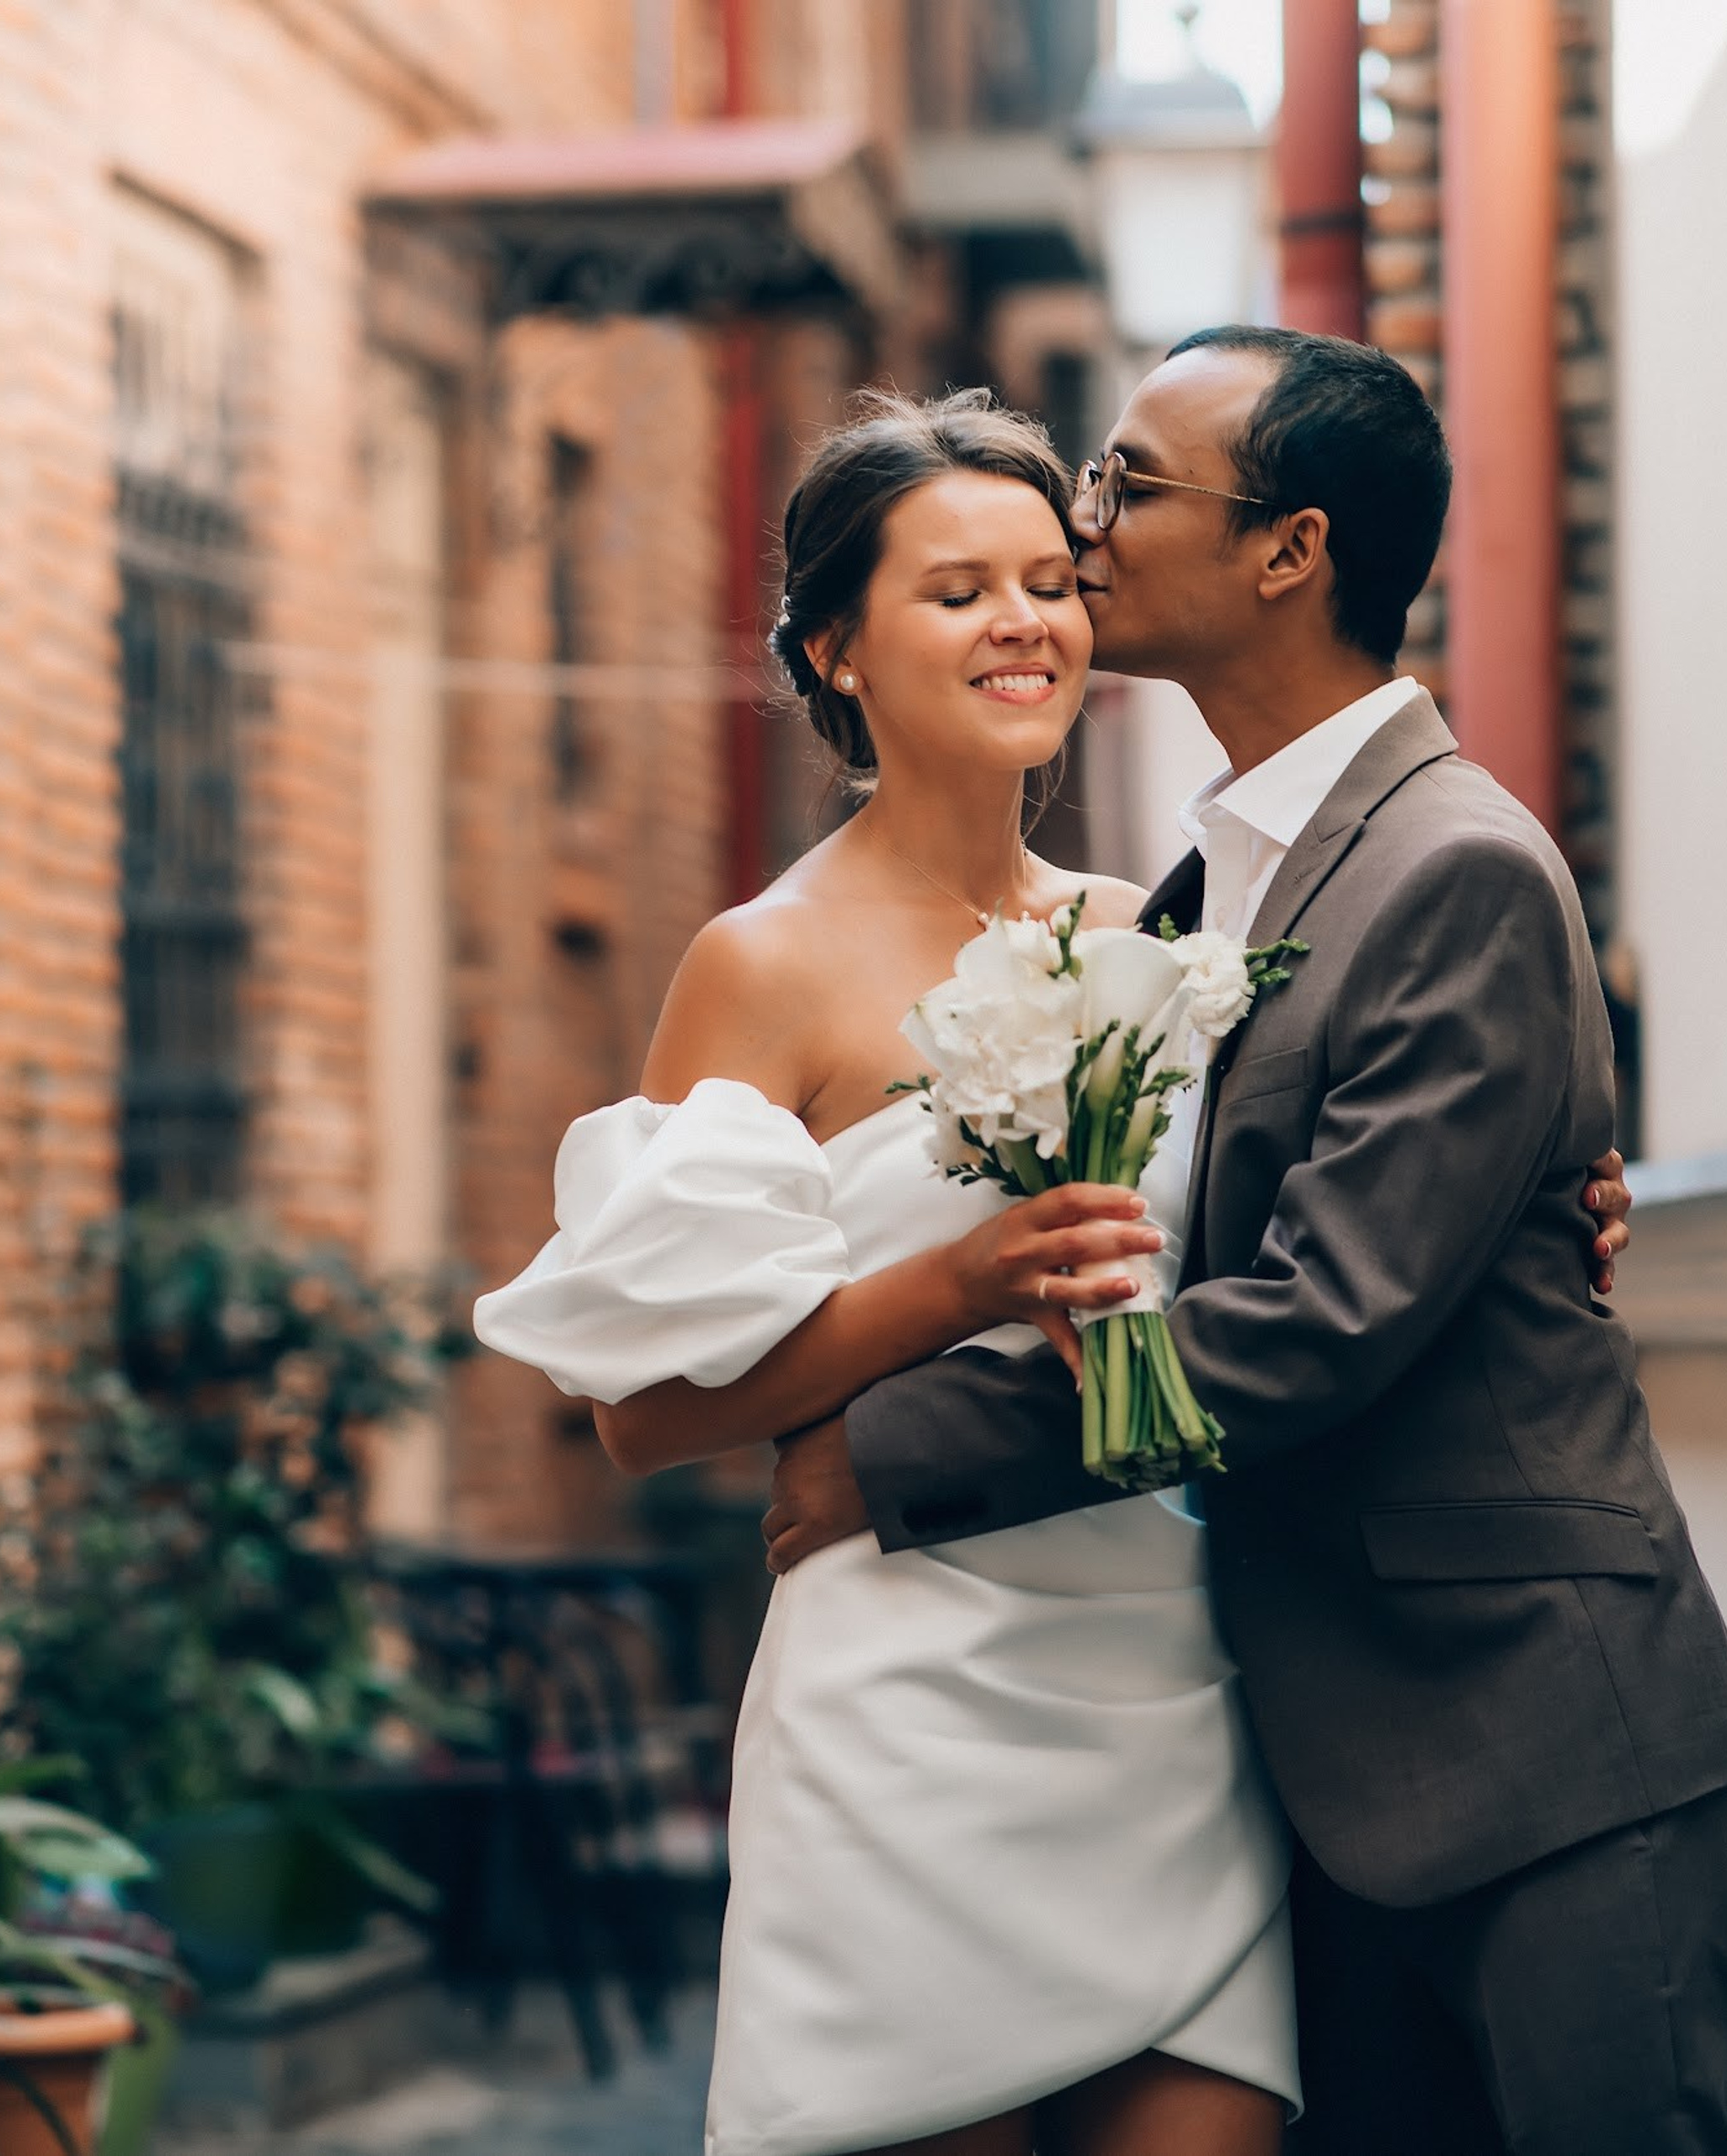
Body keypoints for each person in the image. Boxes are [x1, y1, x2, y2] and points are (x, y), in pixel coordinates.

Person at [476, 382, 1633, 2156]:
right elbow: (647, 1416)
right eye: (956, 592)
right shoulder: (758, 963)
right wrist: (956, 1291)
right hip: (910, 1693)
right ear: (835, 650)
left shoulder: (1161, 933)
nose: (1022, 620)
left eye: (1046, 580)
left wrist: (1543, 1202)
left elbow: (1313, 1240)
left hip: (1178, 1681)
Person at [760, 329, 1721, 2156]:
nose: (1083, 521)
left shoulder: (1453, 864)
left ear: (1289, 549)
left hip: (1533, 1740)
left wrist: (884, 1454)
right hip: (1300, 1752)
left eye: (1127, 483)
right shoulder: (1199, 895)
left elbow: (1315, 1320)